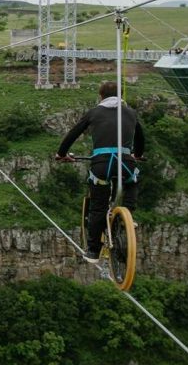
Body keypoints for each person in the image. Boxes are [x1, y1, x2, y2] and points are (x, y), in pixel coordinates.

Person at [54, 80, 145, 263]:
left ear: (101, 96)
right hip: (125, 163)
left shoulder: (94, 112)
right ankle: (127, 215)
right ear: (120, 96)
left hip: (102, 165)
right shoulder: (131, 113)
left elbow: (73, 133)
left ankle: (93, 251)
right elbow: (141, 138)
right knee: (132, 181)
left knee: (98, 206)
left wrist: (62, 154)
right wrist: (137, 154)